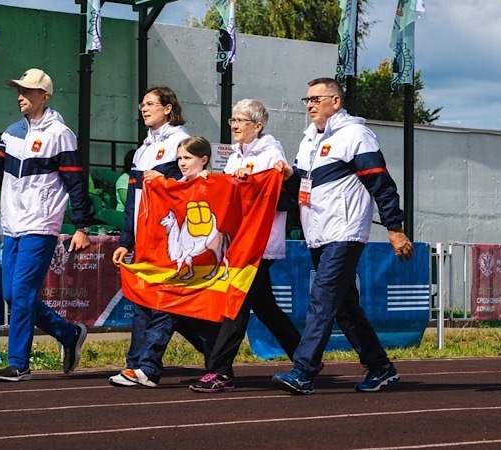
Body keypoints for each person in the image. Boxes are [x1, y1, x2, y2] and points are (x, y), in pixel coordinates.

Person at [0, 67, 94, 382]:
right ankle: (69, 334)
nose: (20, 96)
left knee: (23, 293)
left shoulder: (60, 134)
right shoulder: (12, 132)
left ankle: (19, 364)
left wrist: (82, 226)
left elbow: (76, 184)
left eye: (27, 91)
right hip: (11, 224)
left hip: (41, 225)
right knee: (13, 295)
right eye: (19, 91)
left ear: (45, 96)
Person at [270, 77, 414, 395]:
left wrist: (395, 228)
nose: (309, 105)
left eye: (315, 99)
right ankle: (380, 367)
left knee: (322, 299)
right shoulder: (309, 141)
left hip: (345, 233)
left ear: (335, 101)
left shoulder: (356, 135)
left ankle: (303, 370)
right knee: (344, 307)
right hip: (317, 234)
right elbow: (303, 191)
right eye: (306, 100)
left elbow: (382, 184)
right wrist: (290, 178)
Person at [186, 99, 304, 393]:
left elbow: (277, 199)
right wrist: (210, 180)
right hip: (239, 242)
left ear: (258, 126)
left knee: (235, 303)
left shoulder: (271, 153)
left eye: (240, 120)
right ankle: (306, 357)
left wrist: (249, 183)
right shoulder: (236, 155)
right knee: (265, 307)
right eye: (232, 120)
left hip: (260, 243)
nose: (235, 126)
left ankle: (220, 370)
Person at [109, 85, 217, 388]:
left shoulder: (180, 141)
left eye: (151, 104)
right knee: (145, 299)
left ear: (168, 108)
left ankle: (147, 366)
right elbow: (134, 199)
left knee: (164, 300)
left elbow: (191, 185)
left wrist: (167, 178)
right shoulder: (144, 148)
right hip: (144, 235)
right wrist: (125, 240)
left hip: (169, 235)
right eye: (142, 104)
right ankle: (140, 364)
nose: (144, 109)